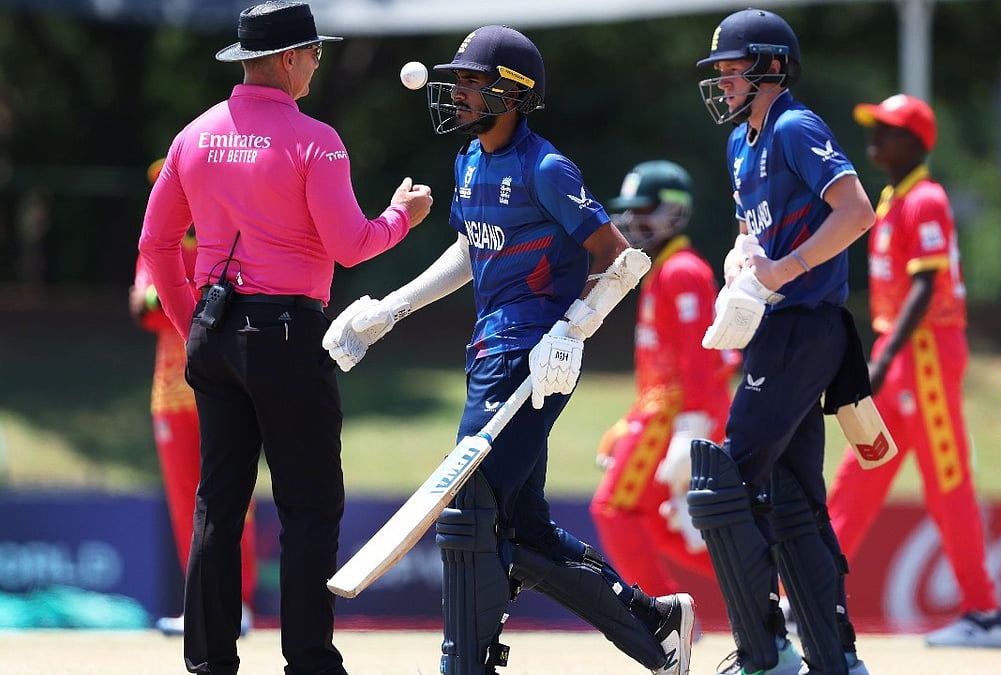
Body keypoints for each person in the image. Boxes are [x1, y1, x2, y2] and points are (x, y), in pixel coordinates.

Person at [320, 24, 695, 675]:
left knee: (469, 510)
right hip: (489, 352)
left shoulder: (546, 167)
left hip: (537, 358)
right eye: (459, 81)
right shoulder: (468, 162)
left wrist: (573, 329)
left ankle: (465, 662)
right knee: (521, 529)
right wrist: (392, 308)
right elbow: (472, 250)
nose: (458, 92)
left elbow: (619, 258)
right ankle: (656, 626)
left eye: (472, 81)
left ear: (512, 94)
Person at [138, 2, 434, 672]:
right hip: (287, 333)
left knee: (218, 500)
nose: (318, 62)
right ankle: (308, 661)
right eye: (314, 53)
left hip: (217, 331)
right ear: (286, 60)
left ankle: (209, 662)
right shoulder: (317, 139)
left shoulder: (194, 136)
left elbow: (156, 244)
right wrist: (403, 215)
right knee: (309, 502)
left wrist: (195, 328)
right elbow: (352, 245)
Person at [689, 8, 876, 675]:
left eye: (732, 69)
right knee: (793, 494)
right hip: (774, 329)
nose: (722, 82)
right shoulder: (741, 142)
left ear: (770, 66)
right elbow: (753, 236)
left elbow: (857, 211)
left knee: (724, 485)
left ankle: (766, 651)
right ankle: (837, 654)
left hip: (807, 325)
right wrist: (740, 267)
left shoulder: (796, 127)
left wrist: (783, 268)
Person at [826, 94, 1001, 649]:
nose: (875, 136)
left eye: (888, 128)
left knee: (946, 483)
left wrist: (880, 359)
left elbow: (927, 288)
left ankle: (984, 614)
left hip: (924, 355)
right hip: (903, 352)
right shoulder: (893, 197)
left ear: (916, 142)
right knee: (861, 476)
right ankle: (805, 600)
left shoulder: (924, 199)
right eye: (875, 127)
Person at [589, 160, 736, 601]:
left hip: (674, 418)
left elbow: (701, 361)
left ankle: (662, 619)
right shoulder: (663, 269)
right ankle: (772, 588)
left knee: (614, 510)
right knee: (653, 521)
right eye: (629, 210)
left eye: (644, 209)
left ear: (674, 212)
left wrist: (692, 434)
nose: (632, 220)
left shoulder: (681, 271)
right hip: (659, 415)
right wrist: (627, 422)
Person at [130, 158, 256, 638]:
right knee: (188, 504)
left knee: (232, 497)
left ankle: (238, 604)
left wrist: (174, 295)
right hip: (171, 393)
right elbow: (140, 305)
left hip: (227, 384)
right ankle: (201, 606)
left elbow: (231, 298)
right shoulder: (157, 244)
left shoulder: (229, 233)